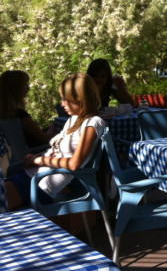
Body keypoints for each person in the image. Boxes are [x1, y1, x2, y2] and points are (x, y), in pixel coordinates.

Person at [5, 73, 105, 210]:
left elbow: (74, 164)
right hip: (30, 176)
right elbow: (56, 151)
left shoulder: (93, 122)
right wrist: (35, 157)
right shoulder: (73, 120)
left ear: (81, 98)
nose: (62, 104)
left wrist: (40, 161)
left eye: (65, 99)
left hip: (40, 185)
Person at [0, 70, 54, 146]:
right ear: (15, 88)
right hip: (38, 151)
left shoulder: (5, 114)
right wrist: (53, 127)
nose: (28, 88)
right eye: (25, 84)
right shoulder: (20, 114)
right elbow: (46, 140)